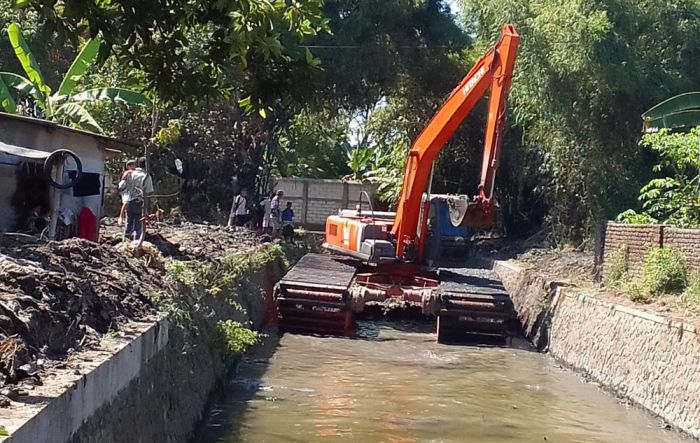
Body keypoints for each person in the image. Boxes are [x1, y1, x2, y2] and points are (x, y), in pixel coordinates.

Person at [119, 157, 153, 240]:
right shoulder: (146, 176)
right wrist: (148, 209)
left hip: (129, 202)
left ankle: (125, 241)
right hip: (140, 203)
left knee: (129, 221)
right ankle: (136, 243)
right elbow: (148, 193)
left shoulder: (129, 174)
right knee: (138, 224)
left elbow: (121, 186)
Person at [117, 159, 136, 226]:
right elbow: (123, 178)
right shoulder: (127, 172)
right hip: (126, 190)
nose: (134, 167)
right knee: (126, 203)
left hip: (132, 190)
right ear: (128, 166)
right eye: (132, 165)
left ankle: (127, 219)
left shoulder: (135, 172)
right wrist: (129, 172)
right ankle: (121, 217)